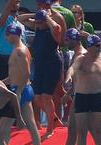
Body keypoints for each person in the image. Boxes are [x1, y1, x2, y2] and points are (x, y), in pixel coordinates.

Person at [64, 35, 101, 145]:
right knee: (81, 133)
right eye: (97, 46)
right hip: (82, 97)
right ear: (89, 47)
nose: (99, 48)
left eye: (100, 45)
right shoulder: (81, 59)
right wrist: (68, 78)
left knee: (99, 133)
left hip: (97, 97)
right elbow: (71, 69)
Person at [4, 23, 45, 145]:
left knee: (8, 126)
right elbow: (15, 74)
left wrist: (19, 91)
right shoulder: (21, 49)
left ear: (13, 34)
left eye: (7, 35)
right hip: (19, 89)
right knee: (20, 125)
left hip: (20, 90)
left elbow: (27, 73)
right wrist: (0, 84)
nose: (5, 38)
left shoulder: (20, 51)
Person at [22, 3, 65, 136]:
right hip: (40, 65)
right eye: (38, 22)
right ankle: (54, 119)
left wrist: (47, 17)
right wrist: (36, 15)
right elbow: (20, 18)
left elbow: (57, 27)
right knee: (37, 98)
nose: (39, 24)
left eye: (41, 22)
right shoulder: (38, 27)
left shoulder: (53, 31)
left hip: (52, 64)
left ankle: (50, 129)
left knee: (46, 97)